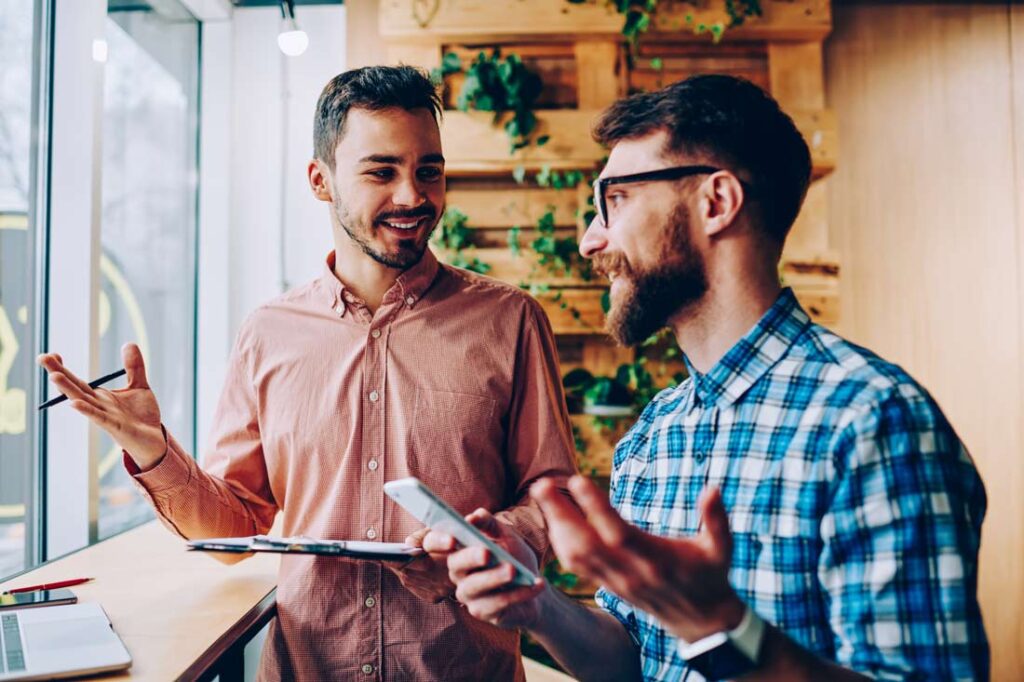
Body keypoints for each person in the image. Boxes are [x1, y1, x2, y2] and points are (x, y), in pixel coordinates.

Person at [428, 75, 989, 681]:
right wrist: (536, 602)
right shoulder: (655, 432)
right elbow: (634, 662)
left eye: (614, 200)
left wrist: (720, 627)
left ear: (716, 202)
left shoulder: (873, 419)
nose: (591, 241)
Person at [38, 65, 577, 681]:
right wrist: (151, 449)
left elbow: (552, 497)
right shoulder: (268, 332)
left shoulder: (510, 321)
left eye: (429, 170)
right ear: (321, 180)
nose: (413, 195)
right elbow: (235, 522)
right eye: (382, 171)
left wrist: (474, 549)